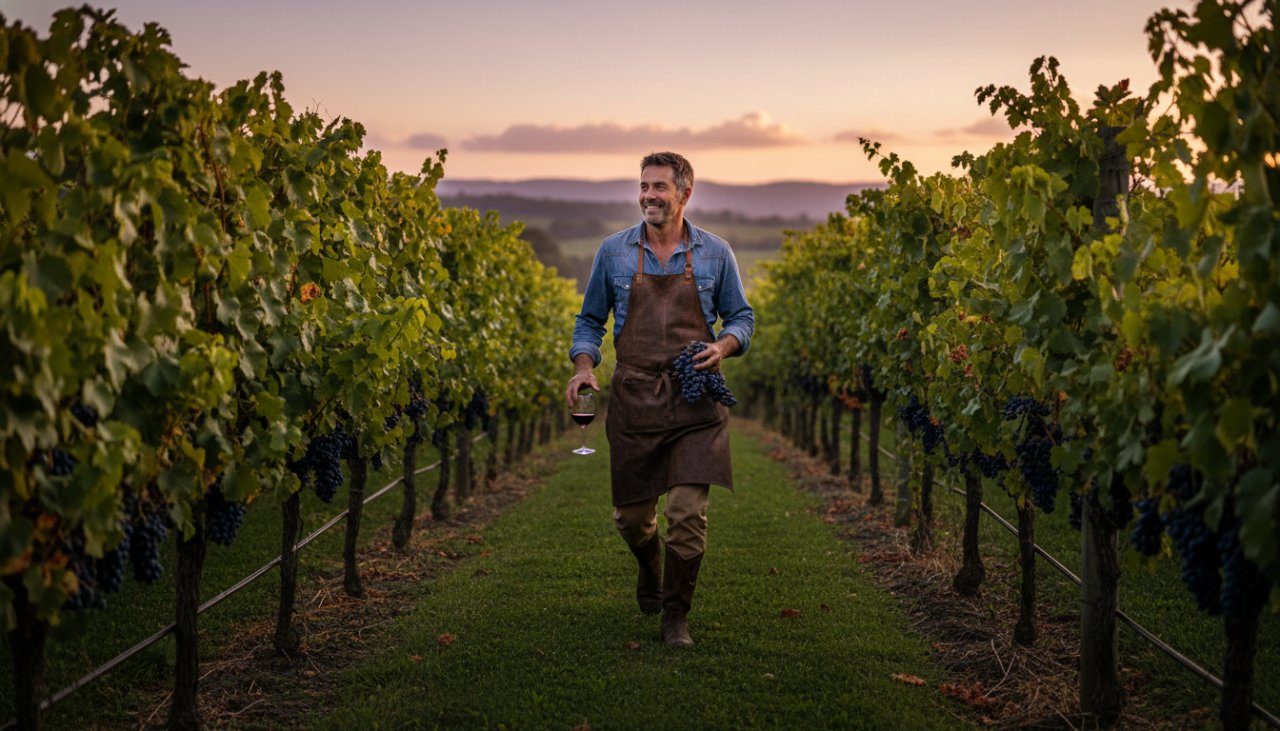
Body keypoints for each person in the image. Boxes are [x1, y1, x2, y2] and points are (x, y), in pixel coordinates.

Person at [565, 151, 754, 647]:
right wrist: (585, 366)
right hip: (635, 397)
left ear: (685, 193)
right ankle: (651, 563)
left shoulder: (716, 253)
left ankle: (676, 616)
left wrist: (723, 345)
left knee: (687, 513)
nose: (648, 195)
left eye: (659, 187)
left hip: (696, 399)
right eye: (644, 186)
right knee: (631, 519)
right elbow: (589, 322)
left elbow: (741, 318)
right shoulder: (613, 252)